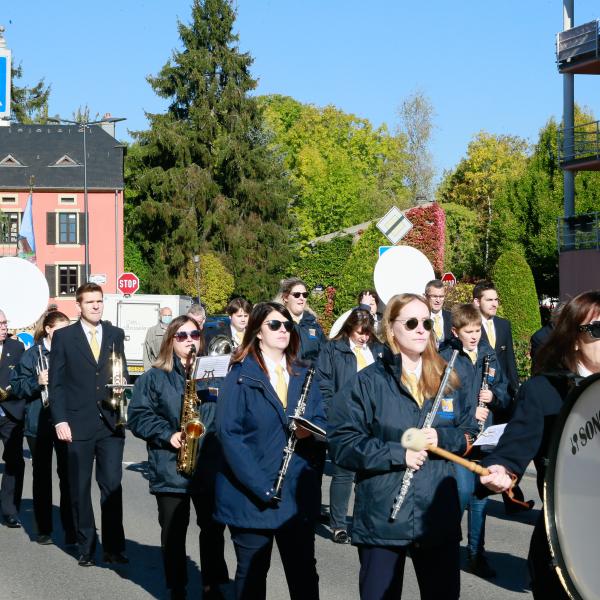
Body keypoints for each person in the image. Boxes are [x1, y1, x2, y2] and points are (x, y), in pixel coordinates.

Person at [328, 293, 478, 600]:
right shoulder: (368, 381)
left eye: (426, 322)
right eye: (411, 323)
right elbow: (342, 442)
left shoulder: (449, 377)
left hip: (436, 515)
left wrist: (443, 439)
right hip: (384, 515)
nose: (421, 329)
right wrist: (399, 455)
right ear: (391, 328)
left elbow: (468, 432)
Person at [480, 290, 600, 599]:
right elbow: (513, 448)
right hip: (568, 541)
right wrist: (502, 470)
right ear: (574, 338)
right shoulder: (543, 391)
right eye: (598, 330)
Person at [215, 301, 326, 600]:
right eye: (274, 325)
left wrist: (310, 430)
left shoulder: (304, 373)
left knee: (303, 574)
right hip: (252, 495)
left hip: (295, 493)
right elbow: (229, 435)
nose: (283, 330)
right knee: (252, 577)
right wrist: (263, 488)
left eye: (287, 325)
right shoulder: (239, 375)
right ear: (258, 332)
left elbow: (320, 418)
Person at [129, 315, 229, 600]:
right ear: (170, 341)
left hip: (208, 464)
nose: (189, 341)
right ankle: (177, 586)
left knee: (212, 530)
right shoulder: (154, 377)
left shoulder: (215, 373)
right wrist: (167, 434)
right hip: (171, 465)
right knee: (173, 532)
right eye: (182, 336)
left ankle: (211, 584)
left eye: (194, 335)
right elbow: (137, 415)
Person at [49, 283, 129, 567]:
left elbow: (120, 370)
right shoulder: (64, 337)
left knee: (112, 486)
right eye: (90, 302)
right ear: (78, 306)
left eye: (99, 301)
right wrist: (60, 419)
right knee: (79, 487)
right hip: (77, 422)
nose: (96, 306)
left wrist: (122, 388)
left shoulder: (115, 334)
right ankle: (86, 545)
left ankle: (114, 547)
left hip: (110, 423)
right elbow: (56, 384)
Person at [439, 303, 510, 579]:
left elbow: (503, 390)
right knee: (461, 492)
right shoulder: (447, 357)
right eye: (468, 331)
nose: (474, 336)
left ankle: (476, 554)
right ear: (456, 332)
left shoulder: (488, 354)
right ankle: (445, 547)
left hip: (485, 436)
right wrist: (472, 413)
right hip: (459, 438)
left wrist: (494, 398)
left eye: (477, 330)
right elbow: (442, 404)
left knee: (480, 494)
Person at [316, 307, 383, 544]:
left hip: (373, 419)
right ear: (349, 329)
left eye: (367, 332)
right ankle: (338, 525)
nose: (364, 337)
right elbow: (323, 383)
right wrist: (332, 411)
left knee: (370, 473)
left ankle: (365, 522)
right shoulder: (333, 349)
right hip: (345, 418)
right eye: (359, 332)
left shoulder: (378, 349)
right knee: (343, 473)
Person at [10, 310, 75, 545]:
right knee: (42, 476)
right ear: (48, 330)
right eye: (61, 330)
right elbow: (16, 387)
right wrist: (36, 382)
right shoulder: (32, 355)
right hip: (39, 422)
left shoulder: (71, 353)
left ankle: (71, 530)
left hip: (66, 420)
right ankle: (44, 529)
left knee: (68, 475)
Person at [472, 281, 519, 405]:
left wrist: (515, 389)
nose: (495, 304)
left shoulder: (504, 325)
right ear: (477, 302)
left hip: (502, 393)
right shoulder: (471, 327)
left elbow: (510, 359)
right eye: (489, 300)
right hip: (480, 393)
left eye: (496, 300)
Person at [0, 308, 25, 528]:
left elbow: (22, 377)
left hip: (10, 413)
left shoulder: (16, 347)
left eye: (5, 323)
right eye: (0, 324)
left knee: (14, 462)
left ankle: (10, 510)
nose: (4, 327)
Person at [275, 277, 326, 364]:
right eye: (297, 295)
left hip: (313, 375)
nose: (302, 298)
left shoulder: (313, 323)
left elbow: (325, 354)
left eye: (305, 295)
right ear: (285, 297)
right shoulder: (276, 324)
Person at [143, 306, 173, 371]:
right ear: (160, 316)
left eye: (169, 315)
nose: (167, 317)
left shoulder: (175, 330)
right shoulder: (152, 331)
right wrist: (148, 370)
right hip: (157, 368)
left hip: (172, 369)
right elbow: (147, 352)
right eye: (165, 315)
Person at [424, 279, 452, 346]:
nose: (438, 300)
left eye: (441, 296)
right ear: (426, 297)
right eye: (434, 296)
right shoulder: (420, 319)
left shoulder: (452, 317)